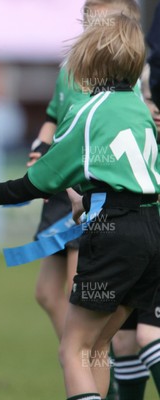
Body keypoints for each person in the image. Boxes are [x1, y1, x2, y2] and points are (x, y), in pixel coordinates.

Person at [0, 13, 159, 400]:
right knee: (95, 349)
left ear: (92, 58)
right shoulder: (140, 110)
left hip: (115, 233)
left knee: (72, 349)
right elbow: (125, 173)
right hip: (149, 232)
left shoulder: (90, 111)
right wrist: (85, 199)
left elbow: (38, 181)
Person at [27, 0, 140, 341]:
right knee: (46, 292)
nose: (95, 34)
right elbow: (52, 117)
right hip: (61, 182)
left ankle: (89, 362)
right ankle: (80, 359)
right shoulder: (69, 68)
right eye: (89, 24)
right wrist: (40, 147)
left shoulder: (125, 77)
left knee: (84, 296)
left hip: (89, 187)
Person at [109, 64, 160, 400]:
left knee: (147, 334)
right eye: (146, 96)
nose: (151, 106)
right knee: (123, 340)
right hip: (136, 237)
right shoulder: (125, 117)